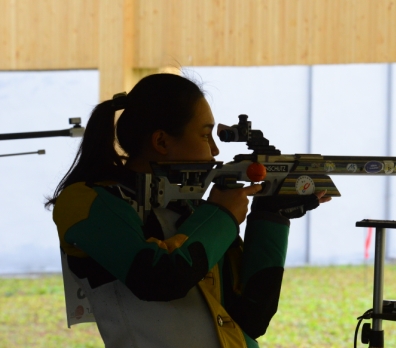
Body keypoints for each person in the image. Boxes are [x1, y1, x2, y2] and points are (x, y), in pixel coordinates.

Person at [47, 73, 330, 348]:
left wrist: (271, 215)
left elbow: (253, 317)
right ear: (162, 142)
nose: (215, 151)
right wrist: (223, 215)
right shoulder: (84, 201)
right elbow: (159, 279)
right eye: (206, 135)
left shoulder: (190, 208)